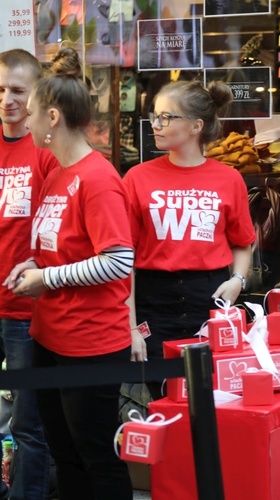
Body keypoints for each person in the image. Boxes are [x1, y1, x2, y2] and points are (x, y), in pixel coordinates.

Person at [4, 47, 134, 499]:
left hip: (90, 343)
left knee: (96, 455)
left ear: (53, 117)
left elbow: (119, 260)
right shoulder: (59, 173)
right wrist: (36, 264)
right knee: (66, 454)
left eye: (34, 111)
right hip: (51, 337)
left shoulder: (97, 178)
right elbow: (66, 248)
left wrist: (47, 279)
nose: (27, 119)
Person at [123, 80, 255, 399]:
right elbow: (123, 260)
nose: (156, 124)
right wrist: (129, 329)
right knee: (164, 400)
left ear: (196, 125)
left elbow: (243, 242)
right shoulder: (137, 178)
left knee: (213, 399)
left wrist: (238, 280)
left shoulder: (229, 179)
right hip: (152, 302)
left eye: (166, 117)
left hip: (209, 299)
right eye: (154, 116)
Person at [0, 48, 58, 500]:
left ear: (35, 94)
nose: (7, 99)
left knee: (27, 423)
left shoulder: (47, 153)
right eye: (0, 90)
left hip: (24, 308)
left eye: (17, 90)